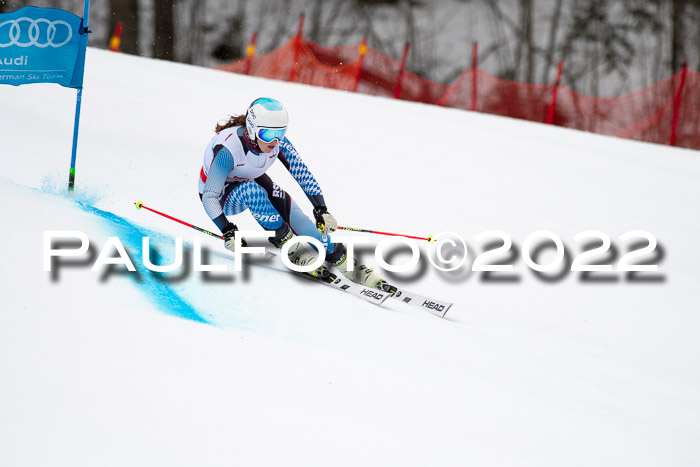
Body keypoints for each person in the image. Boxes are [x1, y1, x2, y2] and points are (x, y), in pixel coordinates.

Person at [198, 97, 388, 290]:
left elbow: (302, 174)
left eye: (280, 133)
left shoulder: (278, 144)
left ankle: (346, 263)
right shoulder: (228, 150)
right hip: (221, 197)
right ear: (253, 129)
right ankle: (291, 247)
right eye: (268, 133)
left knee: (300, 220)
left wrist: (321, 209)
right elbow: (209, 196)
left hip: (248, 179)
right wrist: (227, 230)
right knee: (252, 191)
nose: (274, 141)